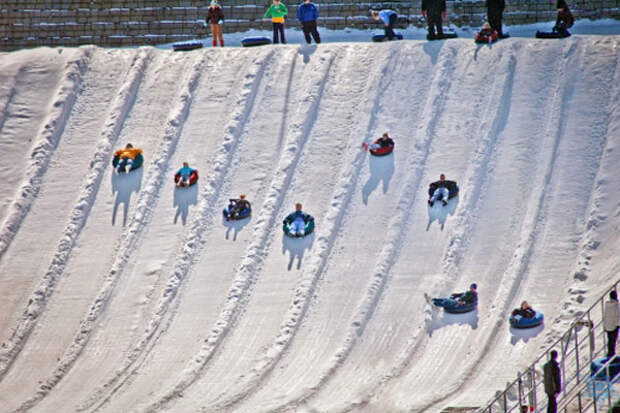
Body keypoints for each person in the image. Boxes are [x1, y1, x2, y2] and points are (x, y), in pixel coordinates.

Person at [604, 290, 620, 357]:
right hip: (614, 326)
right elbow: (617, 316)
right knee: (613, 340)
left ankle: (610, 352)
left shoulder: (607, 305)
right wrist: (618, 325)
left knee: (610, 340)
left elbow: (605, 315)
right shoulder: (616, 305)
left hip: (608, 326)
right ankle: (612, 353)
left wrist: (605, 326)